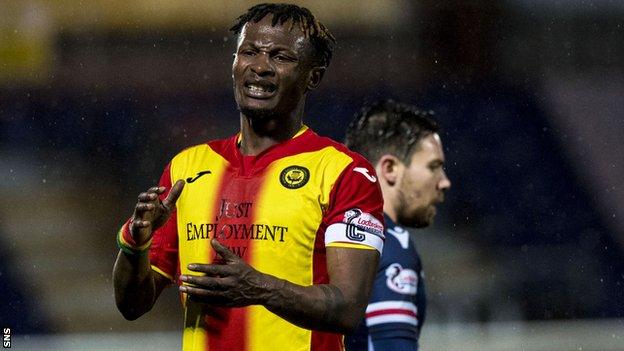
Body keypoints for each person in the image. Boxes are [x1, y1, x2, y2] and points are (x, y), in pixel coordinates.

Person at [113, 3, 385, 351]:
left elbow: (347, 308)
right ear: (234, 64)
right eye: (249, 52)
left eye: (281, 56)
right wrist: (135, 243)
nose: (260, 67)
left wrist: (258, 287)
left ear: (312, 77)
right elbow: (131, 305)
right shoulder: (187, 167)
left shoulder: (346, 173)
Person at [343, 100, 451, 350]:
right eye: (433, 166)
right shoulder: (388, 244)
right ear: (390, 168)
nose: (444, 182)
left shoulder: (321, 232)